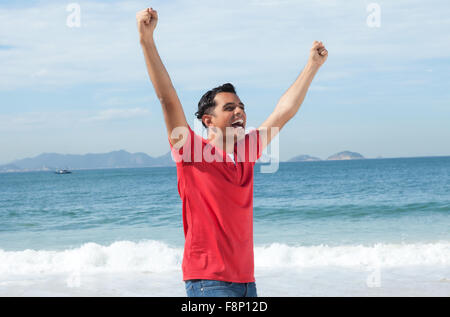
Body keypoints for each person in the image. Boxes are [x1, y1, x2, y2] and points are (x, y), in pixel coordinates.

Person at [136, 7, 328, 297]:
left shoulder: (245, 152)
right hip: (208, 280)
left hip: (247, 282)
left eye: (241, 107)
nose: (239, 112)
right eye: (229, 108)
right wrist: (147, 41)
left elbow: (283, 112)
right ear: (208, 120)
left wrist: (312, 66)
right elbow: (167, 98)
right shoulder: (190, 151)